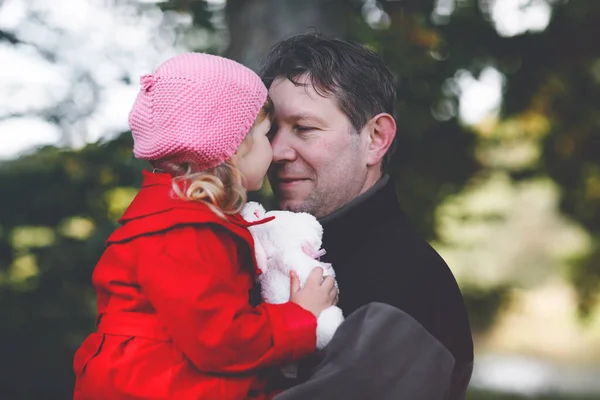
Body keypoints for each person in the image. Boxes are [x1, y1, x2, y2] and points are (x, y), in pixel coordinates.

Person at [72, 52, 338, 400]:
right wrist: (300, 316)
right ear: (231, 147)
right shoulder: (187, 229)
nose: (273, 151)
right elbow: (219, 339)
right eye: (264, 135)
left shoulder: (173, 217)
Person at [260, 33, 474, 399]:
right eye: (270, 130)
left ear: (376, 138)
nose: (276, 151)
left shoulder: (409, 284)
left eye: (304, 128)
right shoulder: (256, 254)